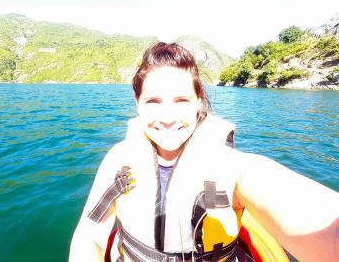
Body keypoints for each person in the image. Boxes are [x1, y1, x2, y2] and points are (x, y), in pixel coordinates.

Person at [69, 42, 338, 261]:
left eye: (181, 100)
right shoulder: (119, 159)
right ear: (137, 103)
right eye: (153, 101)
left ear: (199, 102)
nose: (167, 117)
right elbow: (90, 235)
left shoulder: (230, 166)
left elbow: (309, 212)